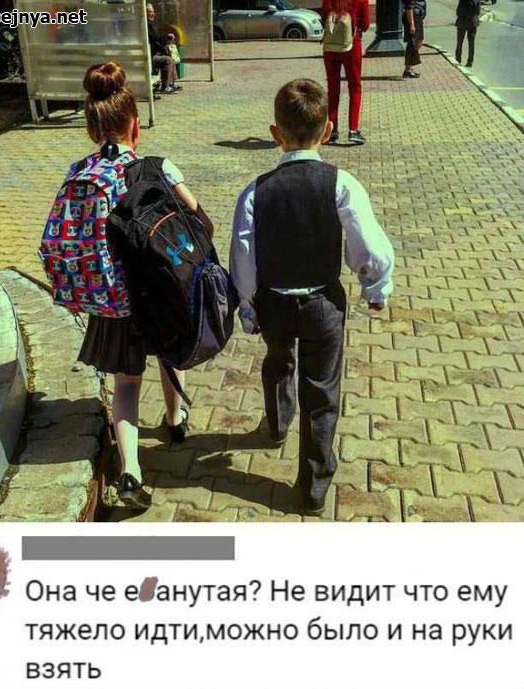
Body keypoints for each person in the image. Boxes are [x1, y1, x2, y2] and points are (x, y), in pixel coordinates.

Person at [229, 79, 394, 515]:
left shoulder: (255, 191)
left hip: (274, 302)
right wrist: (375, 287)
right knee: (322, 392)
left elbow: (243, 256)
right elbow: (368, 244)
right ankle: (314, 487)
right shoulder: (342, 184)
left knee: (277, 360)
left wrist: (247, 306)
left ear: (275, 134)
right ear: (328, 130)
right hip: (323, 302)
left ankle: (277, 424)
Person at [76, 62, 213, 510]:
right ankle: (176, 418)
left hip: (115, 298)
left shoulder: (82, 172)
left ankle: (131, 473)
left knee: (126, 385)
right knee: (171, 355)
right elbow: (201, 221)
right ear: (135, 125)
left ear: (92, 127)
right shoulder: (158, 167)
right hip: (164, 291)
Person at [321, 0, 370, 145]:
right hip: (352, 45)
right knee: (355, 87)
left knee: (333, 88)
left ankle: (332, 130)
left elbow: (324, 20)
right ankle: (353, 130)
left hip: (330, 47)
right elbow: (366, 25)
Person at [147, 3, 181, 94]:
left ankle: (171, 83)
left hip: (151, 53)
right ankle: (165, 86)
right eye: (150, 12)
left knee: (169, 56)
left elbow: (156, 40)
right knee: (168, 60)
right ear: (144, 13)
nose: (153, 14)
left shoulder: (149, 25)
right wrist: (163, 49)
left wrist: (166, 37)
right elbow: (155, 42)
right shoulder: (146, 27)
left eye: (153, 12)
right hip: (149, 56)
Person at [402, 0, 427, 78]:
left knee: (418, 42)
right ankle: (407, 70)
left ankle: (409, 68)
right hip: (413, 19)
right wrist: (412, 25)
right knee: (412, 43)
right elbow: (409, 8)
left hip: (418, 18)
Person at [455, 0, 481, 67]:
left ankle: (458, 59)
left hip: (462, 22)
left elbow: (458, 11)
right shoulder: (477, 1)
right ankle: (470, 61)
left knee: (460, 42)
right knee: (471, 43)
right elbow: (478, 12)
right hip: (473, 22)